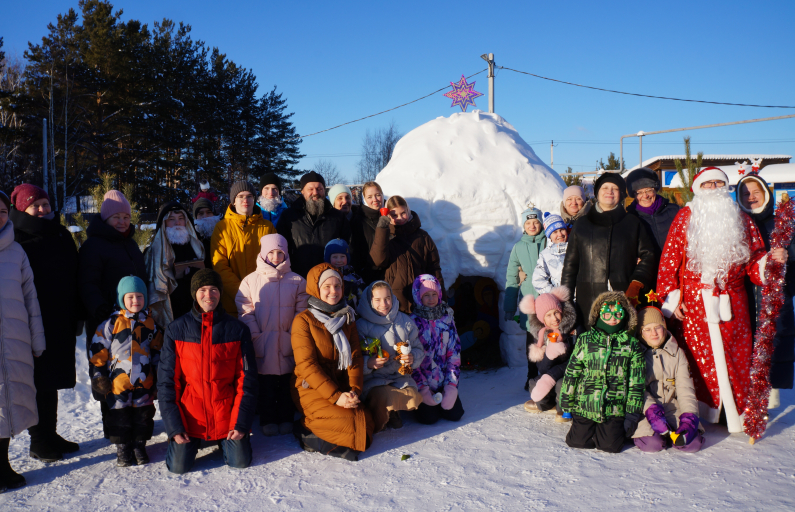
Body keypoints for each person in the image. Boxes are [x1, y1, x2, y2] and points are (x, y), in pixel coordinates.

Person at [657, 167, 780, 433]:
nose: (714, 188)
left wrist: (769, 262)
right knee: (700, 360)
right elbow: (669, 262)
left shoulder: (741, 219)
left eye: (719, 183)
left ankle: (734, 410)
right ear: (698, 188)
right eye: (708, 184)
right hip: (694, 302)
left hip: (733, 301)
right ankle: (703, 411)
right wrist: (673, 298)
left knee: (737, 357)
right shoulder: (685, 217)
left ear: (726, 188)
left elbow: (755, 258)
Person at [158, 269, 258, 474]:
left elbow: (245, 381)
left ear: (220, 292)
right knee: (177, 467)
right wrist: (175, 428)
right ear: (194, 293)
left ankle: (225, 441)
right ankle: (191, 443)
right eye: (202, 289)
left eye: (214, 289)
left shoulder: (238, 330)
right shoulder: (176, 329)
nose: (208, 295)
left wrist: (240, 425)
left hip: (226, 419)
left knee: (239, 462)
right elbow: (168, 383)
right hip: (190, 420)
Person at [9, 184, 81, 460]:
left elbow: (74, 273)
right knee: (36, 380)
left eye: (45, 204)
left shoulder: (61, 233)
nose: (41, 209)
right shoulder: (16, 237)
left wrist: (77, 313)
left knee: (51, 379)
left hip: (60, 318)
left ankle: (49, 433)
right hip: (30, 319)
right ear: (22, 208)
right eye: (35, 204)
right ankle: (38, 440)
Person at [79, 190, 149, 456]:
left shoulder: (130, 244)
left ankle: (137, 428)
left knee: (135, 375)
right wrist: (101, 311)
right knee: (109, 377)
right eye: (117, 217)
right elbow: (87, 282)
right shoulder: (94, 245)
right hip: (106, 323)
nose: (122, 222)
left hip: (134, 322)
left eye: (126, 217)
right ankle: (115, 432)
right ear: (105, 218)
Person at [291, 263, 373, 461]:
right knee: (348, 422)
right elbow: (307, 366)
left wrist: (354, 391)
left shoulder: (347, 318)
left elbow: (354, 358)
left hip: (341, 385)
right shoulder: (303, 321)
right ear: (316, 288)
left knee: (365, 420)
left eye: (337, 286)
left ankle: (334, 441)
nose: (333, 291)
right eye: (327, 286)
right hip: (311, 387)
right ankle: (305, 430)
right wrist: (337, 397)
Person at [236, 234, 308, 437]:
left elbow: (301, 311)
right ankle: (268, 418)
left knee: (286, 383)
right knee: (265, 385)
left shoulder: (297, 281)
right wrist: (256, 335)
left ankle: (285, 417)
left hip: (287, 340)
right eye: (272, 252)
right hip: (262, 341)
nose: (276, 257)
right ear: (263, 254)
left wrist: (292, 334)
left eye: (280, 253)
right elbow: (245, 310)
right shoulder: (250, 280)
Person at [561, 172, 657, 324]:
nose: (609, 191)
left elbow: (648, 255)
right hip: (588, 299)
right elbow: (570, 266)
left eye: (615, 188)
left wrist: (636, 283)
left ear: (621, 194)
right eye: (605, 187)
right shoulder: (582, 225)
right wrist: (565, 301)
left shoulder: (632, 223)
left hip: (625, 296)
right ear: (597, 193)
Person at [88, 276, 163, 466]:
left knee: (144, 415)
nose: (135, 301)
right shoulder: (111, 324)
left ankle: (139, 445)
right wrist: (99, 376)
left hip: (144, 381)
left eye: (140, 296)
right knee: (119, 417)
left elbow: (158, 350)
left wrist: (159, 375)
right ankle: (123, 448)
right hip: (118, 383)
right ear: (122, 298)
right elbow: (98, 353)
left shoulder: (150, 324)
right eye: (130, 297)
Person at [560, 292, 645, 453]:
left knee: (610, 446)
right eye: (607, 314)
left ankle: (605, 431)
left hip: (614, 407)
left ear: (625, 315)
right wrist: (567, 403)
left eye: (618, 314)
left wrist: (632, 412)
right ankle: (588, 429)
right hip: (586, 403)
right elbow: (572, 372)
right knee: (576, 442)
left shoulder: (631, 344)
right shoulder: (585, 340)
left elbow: (636, 381)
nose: (612, 319)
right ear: (598, 315)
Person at [737, 173, 795, 409]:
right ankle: (746, 400)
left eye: (756, 192)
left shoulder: (782, 223)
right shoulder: (736, 224)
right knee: (746, 347)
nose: (750, 198)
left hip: (775, 299)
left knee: (772, 346)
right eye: (745, 194)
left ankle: (766, 403)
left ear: (766, 194)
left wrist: (789, 256)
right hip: (744, 297)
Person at [0, 190, 45, 491]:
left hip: (14, 339)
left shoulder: (16, 252)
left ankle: (2, 464)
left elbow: (30, 297)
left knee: (8, 403)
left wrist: (36, 338)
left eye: (2, 211)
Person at [629, 307, 703, 453]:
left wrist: (689, 418)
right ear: (640, 332)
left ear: (664, 327)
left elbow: (685, 389)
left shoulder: (677, 353)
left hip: (672, 408)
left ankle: (675, 432)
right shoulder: (635, 354)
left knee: (692, 443)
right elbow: (636, 389)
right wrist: (651, 411)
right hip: (645, 412)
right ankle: (656, 434)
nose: (654, 333)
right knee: (654, 445)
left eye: (658, 327)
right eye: (647, 329)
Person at [355, 281, 424, 432]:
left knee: (413, 397)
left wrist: (412, 357)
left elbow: (419, 348)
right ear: (369, 301)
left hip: (399, 376)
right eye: (377, 300)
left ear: (392, 298)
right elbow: (354, 357)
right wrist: (369, 363)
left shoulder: (404, 321)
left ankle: (392, 410)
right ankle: (382, 414)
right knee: (382, 395)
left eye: (387, 298)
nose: (383, 304)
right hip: (374, 379)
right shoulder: (360, 325)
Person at [211, 180, 276, 316]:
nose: (245, 200)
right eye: (240, 196)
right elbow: (219, 266)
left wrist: (261, 291)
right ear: (233, 201)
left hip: (264, 300)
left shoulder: (267, 227)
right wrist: (241, 292)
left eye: (249, 196)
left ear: (254, 199)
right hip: (232, 303)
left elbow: (276, 262)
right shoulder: (222, 228)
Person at [370, 195, 444, 313]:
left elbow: (434, 268)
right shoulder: (384, 237)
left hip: (423, 299)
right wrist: (382, 229)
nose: (400, 218)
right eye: (394, 215)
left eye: (403, 213)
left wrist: (441, 297)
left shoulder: (423, 237)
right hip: (396, 300)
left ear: (408, 211)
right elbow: (378, 261)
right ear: (388, 215)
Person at [410, 274, 464, 424]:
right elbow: (411, 361)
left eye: (434, 294)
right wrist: (422, 388)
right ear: (418, 296)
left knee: (455, 414)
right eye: (426, 295)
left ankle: (446, 392)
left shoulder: (447, 319)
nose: (431, 298)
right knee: (429, 418)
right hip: (423, 384)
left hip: (443, 383)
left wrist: (451, 386)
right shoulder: (412, 322)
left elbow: (454, 353)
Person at [276, 171, 351, 278]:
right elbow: (281, 247)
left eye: (319, 189)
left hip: (330, 279)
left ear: (324, 191)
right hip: (298, 279)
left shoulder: (338, 217)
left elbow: (348, 246)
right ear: (302, 191)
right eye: (310, 189)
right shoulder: (289, 216)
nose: (315, 192)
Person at [504, 205, 547, 388]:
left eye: (535, 222)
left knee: (550, 335)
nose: (532, 225)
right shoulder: (518, 247)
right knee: (532, 337)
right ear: (524, 225)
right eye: (528, 222)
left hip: (547, 295)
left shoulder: (549, 241)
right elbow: (511, 277)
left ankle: (550, 374)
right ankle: (531, 374)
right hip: (529, 296)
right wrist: (509, 306)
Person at [519, 286, 576, 421]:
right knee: (534, 383)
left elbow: (576, 360)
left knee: (561, 384)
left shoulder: (572, 331)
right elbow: (542, 369)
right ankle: (551, 404)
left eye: (556, 312)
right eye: (548, 315)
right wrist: (549, 355)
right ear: (542, 319)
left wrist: (552, 374)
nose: (554, 318)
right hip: (551, 373)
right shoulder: (542, 335)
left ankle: (563, 409)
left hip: (569, 373)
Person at [145, 202, 205, 328]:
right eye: (171, 219)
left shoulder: (198, 246)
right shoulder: (153, 252)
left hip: (195, 305)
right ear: (164, 222)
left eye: (181, 218)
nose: (177, 223)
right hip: (171, 306)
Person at [626, 167, 680, 256]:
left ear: (655, 189)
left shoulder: (675, 211)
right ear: (634, 195)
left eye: (649, 190)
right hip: (647, 268)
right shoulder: (630, 218)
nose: (645, 196)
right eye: (639, 192)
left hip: (673, 266)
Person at [350, 181, 386, 284]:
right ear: (364, 199)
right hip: (370, 277)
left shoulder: (390, 215)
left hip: (391, 274)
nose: (375, 200)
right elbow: (356, 253)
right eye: (370, 197)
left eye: (378, 195)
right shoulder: (358, 221)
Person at [532, 213, 568, 295]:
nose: (560, 234)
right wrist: (555, 293)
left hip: (582, 298)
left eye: (562, 229)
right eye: (555, 232)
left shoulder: (576, 247)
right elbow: (537, 280)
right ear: (549, 236)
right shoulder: (546, 254)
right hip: (561, 301)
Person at [325, 238, 364, 309]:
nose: (339, 260)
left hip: (353, 315)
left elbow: (363, 298)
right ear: (329, 258)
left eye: (342, 257)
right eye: (335, 257)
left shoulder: (355, 278)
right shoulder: (324, 277)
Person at [192, 197, 219, 269]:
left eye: (209, 212)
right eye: (201, 213)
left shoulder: (222, 233)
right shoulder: (191, 237)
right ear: (196, 217)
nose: (205, 216)